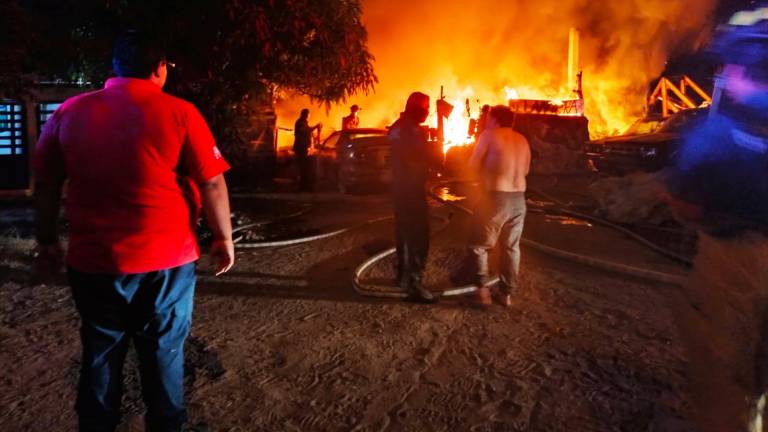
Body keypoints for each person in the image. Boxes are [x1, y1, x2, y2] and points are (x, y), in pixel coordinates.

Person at [33, 31, 234, 432]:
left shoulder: (69, 112)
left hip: (94, 263)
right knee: (163, 354)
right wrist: (223, 236)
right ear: (160, 69)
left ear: (114, 68)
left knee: (101, 352)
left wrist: (47, 241)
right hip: (166, 265)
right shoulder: (180, 113)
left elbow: (47, 183)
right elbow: (211, 182)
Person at [468, 105, 531, 306]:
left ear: (495, 119)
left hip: (495, 198)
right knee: (511, 248)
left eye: (488, 117)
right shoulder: (522, 140)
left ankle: (483, 292)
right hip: (519, 200)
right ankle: (506, 294)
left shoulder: (489, 134)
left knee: (479, 245)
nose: (486, 121)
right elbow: (526, 170)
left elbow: (473, 164)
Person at [389, 92, 442, 303]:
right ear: (415, 107)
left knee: (403, 233)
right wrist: (435, 160)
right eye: (425, 108)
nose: (427, 112)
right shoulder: (411, 130)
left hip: (400, 189)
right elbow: (418, 158)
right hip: (411, 190)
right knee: (419, 236)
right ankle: (415, 284)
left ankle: (402, 277)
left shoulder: (397, 126)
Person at [293, 108, 321, 191]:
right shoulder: (300, 122)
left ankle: (305, 185)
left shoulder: (304, 123)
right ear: (306, 115)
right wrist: (315, 127)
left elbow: (308, 133)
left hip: (305, 148)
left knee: (306, 168)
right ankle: (303, 186)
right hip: (301, 148)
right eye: (308, 115)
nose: (309, 116)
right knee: (304, 168)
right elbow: (304, 131)